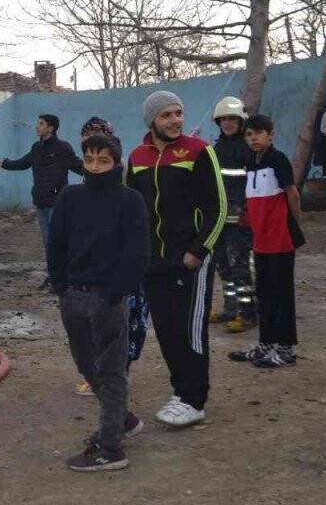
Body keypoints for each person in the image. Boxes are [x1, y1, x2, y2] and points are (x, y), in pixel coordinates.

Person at [47, 133, 149, 471]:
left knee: (111, 370)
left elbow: (137, 252)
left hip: (108, 299)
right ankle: (124, 420)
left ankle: (110, 449)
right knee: (85, 365)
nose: (95, 166)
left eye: (103, 160)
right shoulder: (69, 198)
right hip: (72, 296)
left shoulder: (130, 200)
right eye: (89, 159)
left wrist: (115, 292)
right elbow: (56, 243)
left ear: (116, 163)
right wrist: (60, 285)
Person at [126, 91, 226, 427]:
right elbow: (130, 209)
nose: (175, 120)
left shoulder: (198, 151)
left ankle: (194, 399)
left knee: (191, 328)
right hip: (153, 260)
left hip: (189, 258)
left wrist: (198, 251)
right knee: (167, 328)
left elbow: (218, 207)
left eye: (178, 113)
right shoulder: (136, 156)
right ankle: (181, 392)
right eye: (167, 115)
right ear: (152, 119)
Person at [70, 117, 150, 400]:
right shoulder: (86, 176)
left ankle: (118, 371)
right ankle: (100, 373)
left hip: (122, 261)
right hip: (94, 266)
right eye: (85, 136)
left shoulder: (121, 170)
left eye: (95, 134)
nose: (89, 140)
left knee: (127, 319)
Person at [227, 114, 304, 368]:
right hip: (260, 241)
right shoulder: (250, 162)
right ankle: (266, 344)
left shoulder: (278, 160)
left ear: (271, 134)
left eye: (258, 133)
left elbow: (291, 194)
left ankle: (286, 349)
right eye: (249, 135)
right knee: (265, 293)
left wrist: (296, 225)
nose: (253, 139)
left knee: (282, 295)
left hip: (280, 239)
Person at [0, 114, 83, 289]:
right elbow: (24, 163)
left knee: (59, 241)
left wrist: (97, 173)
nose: (36, 126)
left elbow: (78, 166)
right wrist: (6, 164)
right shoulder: (37, 148)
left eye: (41, 124)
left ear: (50, 128)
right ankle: (54, 276)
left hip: (57, 204)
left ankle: (65, 277)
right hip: (41, 203)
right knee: (48, 242)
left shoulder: (63, 148)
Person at [208, 97, 257, 332]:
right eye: (224, 119)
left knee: (240, 267)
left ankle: (247, 313)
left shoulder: (247, 149)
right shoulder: (217, 148)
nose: (227, 123)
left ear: (240, 121)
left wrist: (247, 210)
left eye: (232, 119)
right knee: (223, 265)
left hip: (240, 219)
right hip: (221, 218)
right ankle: (230, 308)